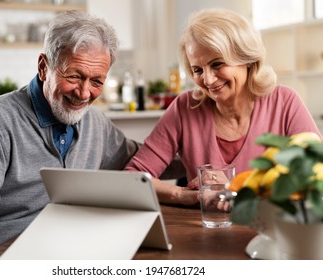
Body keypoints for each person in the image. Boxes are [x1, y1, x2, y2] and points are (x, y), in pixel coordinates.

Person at [0, 11, 182, 260]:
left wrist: (206, 158)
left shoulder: (96, 124)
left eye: (96, 81)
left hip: (76, 253)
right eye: (74, 76)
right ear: (44, 67)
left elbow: (149, 160)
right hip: (8, 257)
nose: (84, 93)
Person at [125, 8, 322, 207]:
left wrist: (236, 188)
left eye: (217, 64)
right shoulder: (185, 108)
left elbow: (316, 176)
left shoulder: (284, 102)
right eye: (198, 70)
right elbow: (134, 178)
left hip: (270, 232)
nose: (208, 80)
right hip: (205, 231)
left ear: (246, 59)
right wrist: (181, 194)